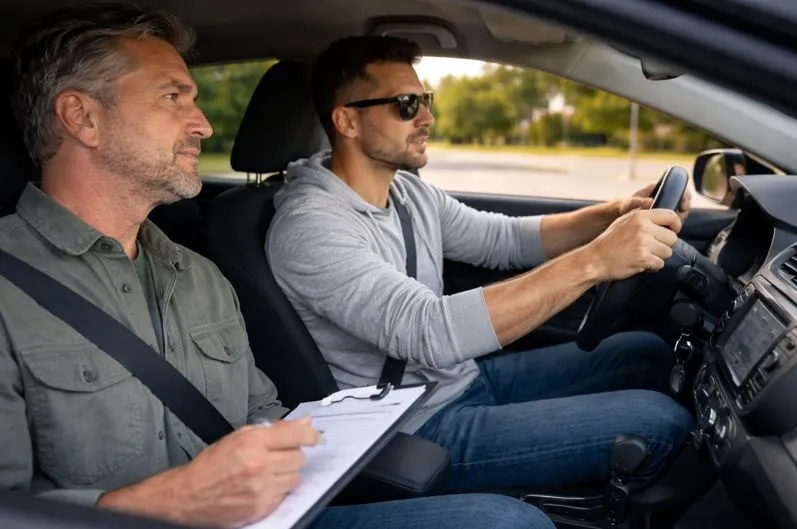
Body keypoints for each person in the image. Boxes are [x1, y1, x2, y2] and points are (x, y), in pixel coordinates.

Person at [0, 5, 556, 529]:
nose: (203, 126)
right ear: (82, 118)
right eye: (174, 97)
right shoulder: (11, 290)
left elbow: (261, 410)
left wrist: (297, 447)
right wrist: (172, 502)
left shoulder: (198, 275)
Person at [266, 35, 695, 494]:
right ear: (347, 121)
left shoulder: (408, 192)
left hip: (462, 379)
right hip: (415, 425)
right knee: (660, 423)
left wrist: (614, 214)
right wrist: (595, 261)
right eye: (407, 105)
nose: (428, 118)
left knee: (646, 352)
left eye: (425, 100)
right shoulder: (309, 227)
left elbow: (503, 239)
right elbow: (429, 330)